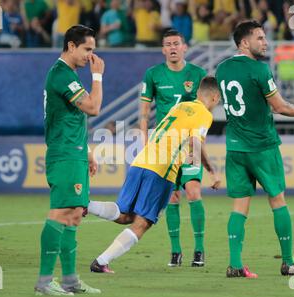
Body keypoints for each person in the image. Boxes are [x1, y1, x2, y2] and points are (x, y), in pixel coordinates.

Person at [215, 20, 294, 278]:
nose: (265, 42)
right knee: (277, 200)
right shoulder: (260, 70)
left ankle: (235, 265)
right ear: (244, 42)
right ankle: (288, 262)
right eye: (260, 38)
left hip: (235, 147)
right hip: (262, 145)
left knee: (240, 206)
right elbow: (280, 106)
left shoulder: (222, 69)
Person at [87, 76, 222, 273]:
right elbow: (196, 142)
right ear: (215, 97)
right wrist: (212, 171)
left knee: (124, 214)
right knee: (143, 222)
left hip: (141, 161)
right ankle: (101, 261)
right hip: (162, 169)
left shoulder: (180, 107)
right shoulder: (204, 114)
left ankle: (85, 204)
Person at [139, 29, 220, 268]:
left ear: (184, 47)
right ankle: (175, 251)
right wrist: (145, 141)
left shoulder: (197, 73)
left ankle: (199, 250)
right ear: (163, 49)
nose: (173, 47)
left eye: (176, 43)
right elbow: (144, 113)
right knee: (172, 197)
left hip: (190, 144)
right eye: (168, 44)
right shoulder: (153, 74)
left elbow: (206, 107)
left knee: (194, 191)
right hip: (164, 146)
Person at [34, 25, 104, 296]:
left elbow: (74, 118)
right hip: (63, 153)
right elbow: (93, 108)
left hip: (73, 151)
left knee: (75, 215)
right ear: (71, 46)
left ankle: (70, 280)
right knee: (61, 213)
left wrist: (85, 151)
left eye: (93, 50)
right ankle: (44, 281)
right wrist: (97, 77)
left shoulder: (70, 75)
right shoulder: (61, 74)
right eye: (87, 49)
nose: (91, 55)